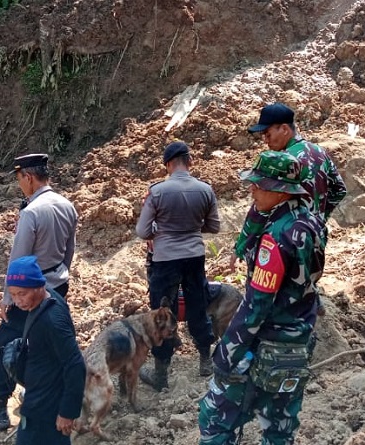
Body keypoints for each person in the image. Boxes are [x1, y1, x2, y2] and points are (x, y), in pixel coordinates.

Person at [198, 151, 325, 445]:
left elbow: (256, 305)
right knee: (280, 427)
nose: (252, 189)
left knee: (215, 418)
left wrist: (227, 353)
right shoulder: (312, 222)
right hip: (298, 341)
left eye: (259, 184)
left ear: (280, 191)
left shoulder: (277, 237)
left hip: (266, 344)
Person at [0, 153, 79, 430]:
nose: (20, 185)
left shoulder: (32, 211)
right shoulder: (67, 205)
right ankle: (36, 389)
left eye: (20, 179)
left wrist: (9, 297)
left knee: (5, 343)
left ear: (28, 177)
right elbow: (69, 250)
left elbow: (19, 259)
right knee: (42, 343)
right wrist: (58, 277)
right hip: (57, 285)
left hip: (29, 290)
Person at [135, 140, 221, 386]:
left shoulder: (157, 191)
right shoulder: (205, 189)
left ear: (168, 165)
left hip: (165, 260)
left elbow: (142, 231)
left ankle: (161, 373)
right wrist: (192, 228)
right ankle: (205, 361)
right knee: (198, 303)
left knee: (162, 312)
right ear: (190, 161)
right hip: (195, 256)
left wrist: (161, 232)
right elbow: (214, 226)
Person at [229, 103, 346, 273]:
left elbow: (261, 209)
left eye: (268, 134)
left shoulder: (282, 162)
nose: (265, 140)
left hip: (282, 238)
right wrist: (319, 217)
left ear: (284, 129)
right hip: (314, 236)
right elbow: (339, 190)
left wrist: (241, 247)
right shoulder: (320, 152)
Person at [4, 256, 85, 444]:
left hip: (46, 404)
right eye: (13, 294)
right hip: (41, 393)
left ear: (38, 287)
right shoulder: (47, 298)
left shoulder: (52, 320)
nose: (17, 301)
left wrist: (67, 412)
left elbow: (75, 364)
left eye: (22, 294)